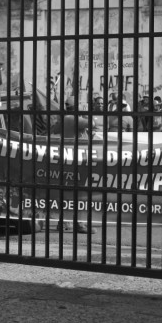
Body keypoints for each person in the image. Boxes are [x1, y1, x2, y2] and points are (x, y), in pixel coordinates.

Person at [51, 96, 96, 234]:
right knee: (79, 192)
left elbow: (55, 129)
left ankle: (64, 222)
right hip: (77, 159)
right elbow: (93, 123)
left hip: (68, 158)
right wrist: (85, 113)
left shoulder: (65, 119)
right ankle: (79, 223)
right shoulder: (73, 118)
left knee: (67, 191)